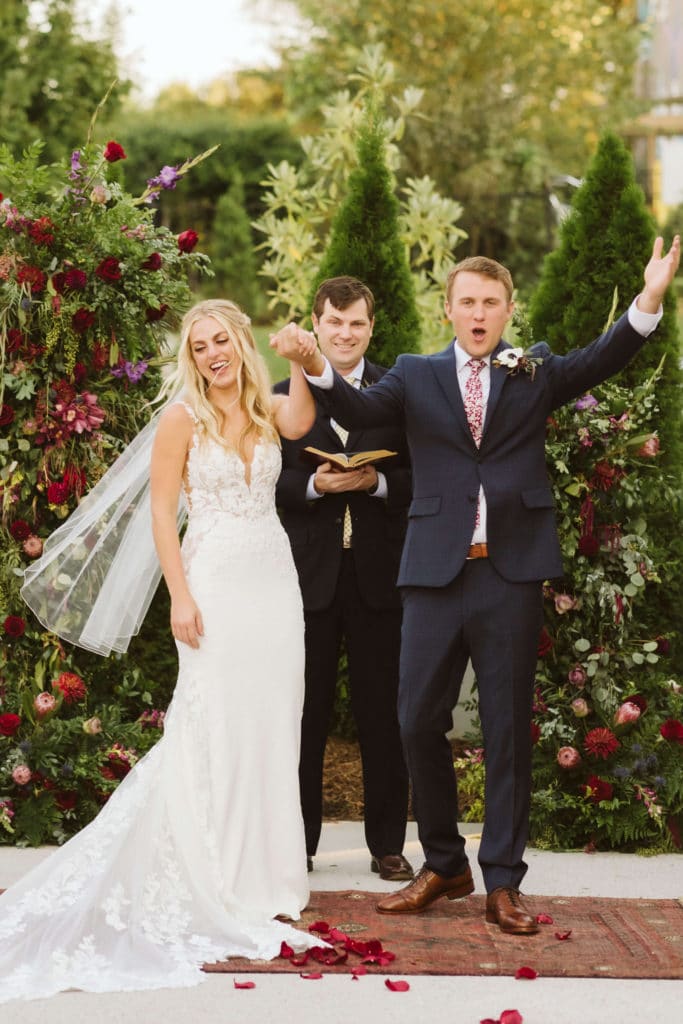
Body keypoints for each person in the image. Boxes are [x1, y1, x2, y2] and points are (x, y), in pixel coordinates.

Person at [271, 235, 681, 935]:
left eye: (491, 302)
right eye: (468, 301)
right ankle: (442, 863)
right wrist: (315, 367)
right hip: (432, 571)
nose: (479, 312)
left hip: (509, 572)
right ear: (448, 310)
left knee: (503, 731)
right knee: (412, 720)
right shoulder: (412, 374)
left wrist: (647, 299)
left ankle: (501, 881)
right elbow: (363, 412)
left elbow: (601, 358)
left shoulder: (534, 371)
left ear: (507, 309)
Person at [1, 300, 325, 1003]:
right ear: (192, 355)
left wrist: (303, 361)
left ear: (240, 344)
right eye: (200, 345)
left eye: (222, 341)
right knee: (211, 725)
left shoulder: (268, 408)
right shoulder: (182, 418)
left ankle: (267, 881)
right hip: (213, 587)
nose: (212, 353)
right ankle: (214, 875)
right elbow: (159, 512)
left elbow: (303, 421)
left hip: (274, 589)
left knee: (273, 728)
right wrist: (179, 596)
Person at [274, 276, 413, 882]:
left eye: (356, 323)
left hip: (381, 580)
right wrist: (313, 485)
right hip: (307, 582)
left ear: (371, 328)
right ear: (315, 324)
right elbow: (266, 482)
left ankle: (386, 845)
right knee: (304, 714)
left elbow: (422, 481)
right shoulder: (280, 395)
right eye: (334, 322)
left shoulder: (400, 392)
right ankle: (296, 843)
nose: (345, 333)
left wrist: (376, 482)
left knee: (384, 714)